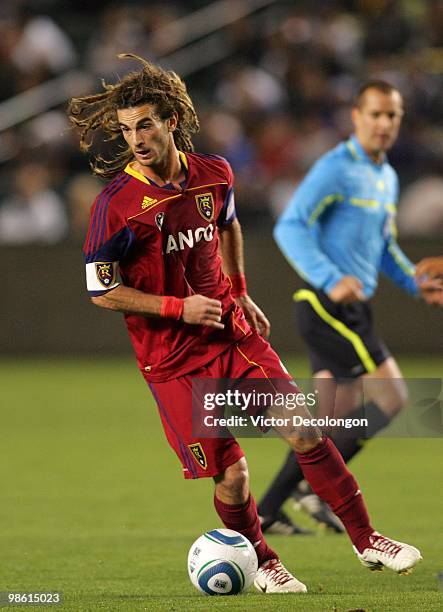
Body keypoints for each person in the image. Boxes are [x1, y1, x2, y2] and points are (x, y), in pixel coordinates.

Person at [69, 60, 421, 594]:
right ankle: (263, 559)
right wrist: (176, 308)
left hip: (229, 334)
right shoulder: (116, 206)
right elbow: (101, 290)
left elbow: (227, 224)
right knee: (233, 478)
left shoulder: (214, 173)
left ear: (170, 121)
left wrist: (238, 290)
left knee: (303, 425)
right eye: (125, 129)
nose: (135, 139)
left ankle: (367, 538)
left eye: (144, 124)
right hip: (170, 360)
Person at [257, 80, 439, 533]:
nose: (383, 123)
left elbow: (382, 246)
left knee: (320, 422)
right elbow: (290, 227)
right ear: (356, 117)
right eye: (374, 114)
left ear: (399, 120)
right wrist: (330, 278)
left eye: (391, 115)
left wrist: (417, 284)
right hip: (324, 305)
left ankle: (270, 508)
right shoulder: (336, 168)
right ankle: (311, 490)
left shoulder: (386, 177)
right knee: (392, 397)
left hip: (354, 309)